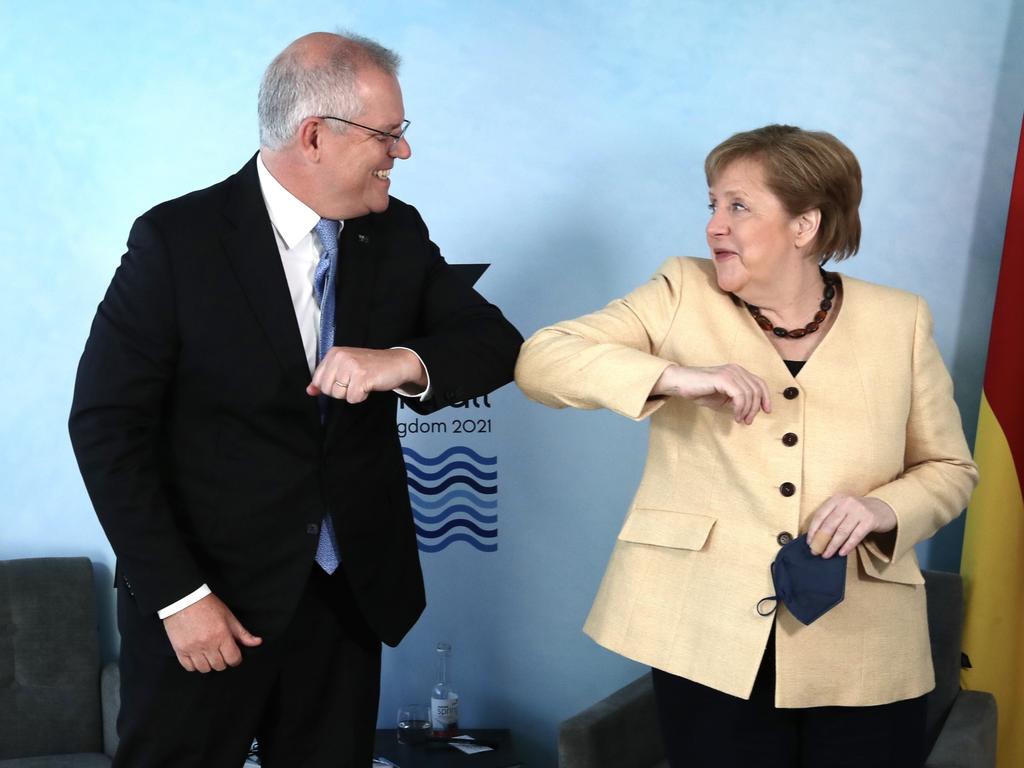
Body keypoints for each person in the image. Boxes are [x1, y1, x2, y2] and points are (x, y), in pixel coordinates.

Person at [69, 31, 522, 768]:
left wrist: (400, 361)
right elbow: (105, 428)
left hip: (346, 604)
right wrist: (180, 599)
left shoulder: (396, 233)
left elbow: (497, 344)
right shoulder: (176, 241)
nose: (401, 153)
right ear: (315, 136)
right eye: (389, 134)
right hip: (208, 606)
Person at [514, 124, 978, 768]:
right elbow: (542, 360)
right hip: (708, 634)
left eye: (738, 206)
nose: (714, 227)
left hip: (865, 642)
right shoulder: (680, 291)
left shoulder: (900, 320)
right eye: (712, 205)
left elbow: (950, 468)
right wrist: (675, 376)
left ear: (804, 225)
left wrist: (885, 509)